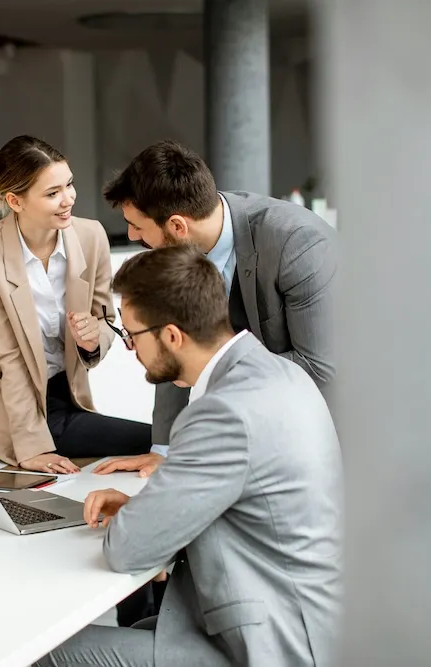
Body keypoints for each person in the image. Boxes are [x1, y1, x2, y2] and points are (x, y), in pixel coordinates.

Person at [35, 244, 343, 667]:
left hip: (271, 645)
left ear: (173, 336)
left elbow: (127, 549)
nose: (130, 349)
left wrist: (141, 520)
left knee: (43, 654)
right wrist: (152, 506)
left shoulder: (223, 413)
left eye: (132, 335)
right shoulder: (278, 374)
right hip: (304, 619)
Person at [94, 139, 338, 480]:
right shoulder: (175, 250)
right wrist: (164, 450)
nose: (133, 236)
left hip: (324, 442)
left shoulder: (297, 244)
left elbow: (320, 367)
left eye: (138, 226)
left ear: (177, 226)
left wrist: (207, 365)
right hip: (243, 437)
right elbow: (172, 350)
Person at [0, 135, 151, 474]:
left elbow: (106, 319)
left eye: (69, 185)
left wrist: (94, 339)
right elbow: (8, 357)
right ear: (15, 201)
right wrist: (32, 446)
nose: (68, 200)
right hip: (18, 406)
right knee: (155, 441)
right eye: (52, 193)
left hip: (71, 394)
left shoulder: (91, 237)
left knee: (160, 440)